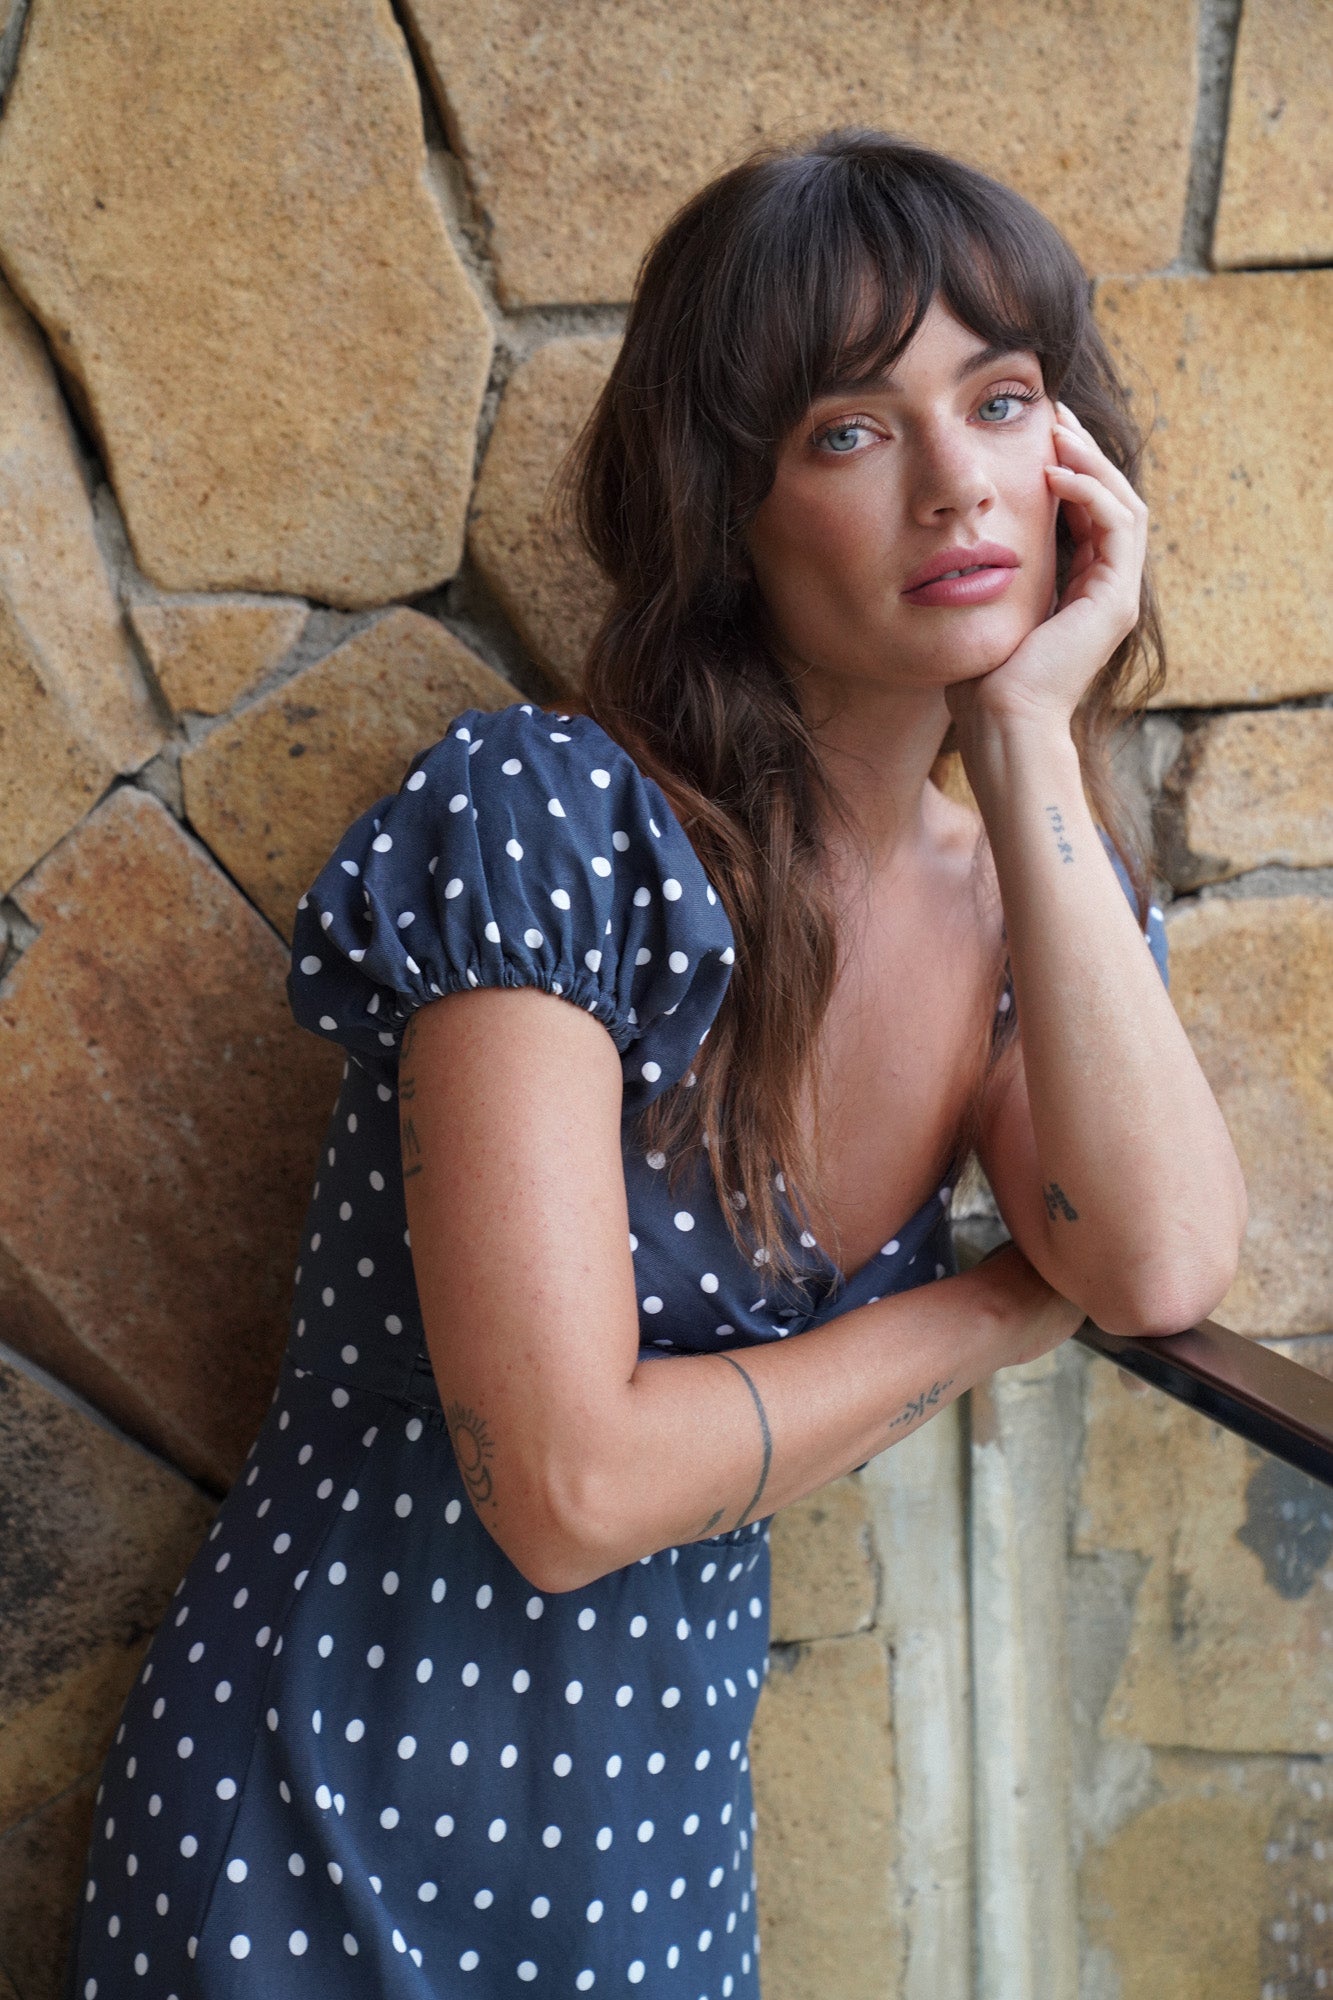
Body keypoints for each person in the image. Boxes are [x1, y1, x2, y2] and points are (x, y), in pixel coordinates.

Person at [65, 127, 1246, 1997]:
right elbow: (569, 1491)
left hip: (650, 1858)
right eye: (848, 431)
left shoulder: (1036, 894)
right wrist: (984, 1314)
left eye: (1002, 401)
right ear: (727, 511)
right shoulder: (548, 820)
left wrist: (1027, 737)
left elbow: (1161, 1265)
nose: (957, 481)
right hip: (317, 1828)